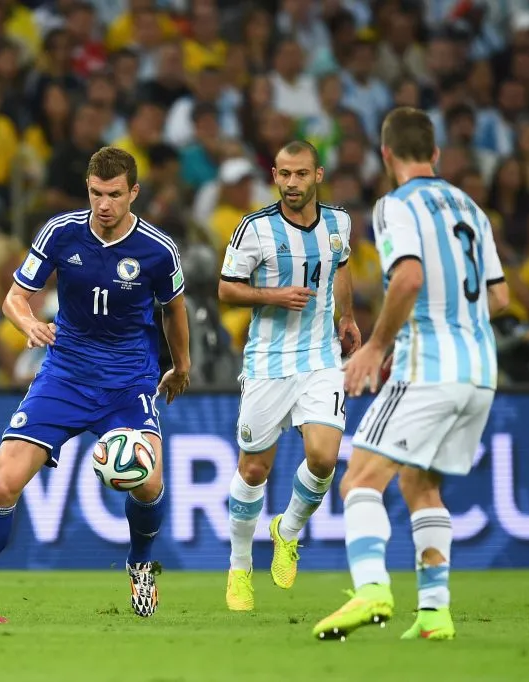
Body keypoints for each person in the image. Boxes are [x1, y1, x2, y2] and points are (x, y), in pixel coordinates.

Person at [0, 146, 191, 619]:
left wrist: (182, 365)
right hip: (64, 376)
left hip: (128, 383)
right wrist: (28, 325)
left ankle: (141, 564)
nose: (103, 204)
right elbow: (14, 298)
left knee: (148, 485)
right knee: (3, 484)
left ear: (134, 193)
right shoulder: (61, 233)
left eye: (113, 194)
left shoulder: (157, 249)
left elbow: (175, 311)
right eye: (95, 193)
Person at [312, 108, 509, 642]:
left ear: (386, 155)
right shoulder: (472, 208)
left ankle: (372, 588)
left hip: (431, 368)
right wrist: (447, 325)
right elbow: (500, 296)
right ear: (436, 153)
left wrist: (378, 346)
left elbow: (410, 279)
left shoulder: (395, 205)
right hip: (480, 372)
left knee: (359, 480)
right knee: (420, 483)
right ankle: (434, 614)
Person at [219, 140, 360, 611]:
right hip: (267, 362)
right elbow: (226, 289)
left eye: (300, 174)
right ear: (274, 176)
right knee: (254, 468)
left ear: (318, 174)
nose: (291, 183)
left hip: (320, 359)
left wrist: (347, 318)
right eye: (283, 174)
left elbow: (341, 269)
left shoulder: (339, 222)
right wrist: (274, 296)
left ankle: (288, 530)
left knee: (323, 458)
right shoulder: (255, 228)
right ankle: (240, 568)